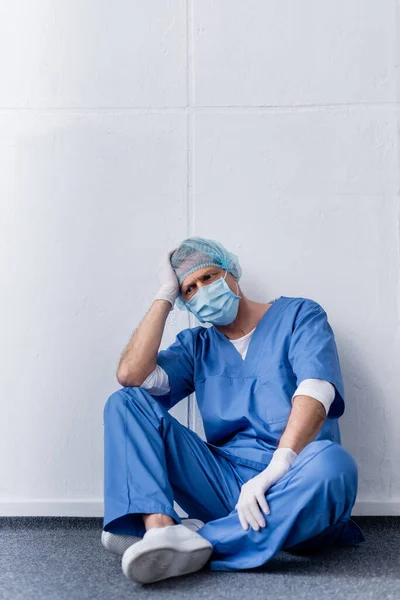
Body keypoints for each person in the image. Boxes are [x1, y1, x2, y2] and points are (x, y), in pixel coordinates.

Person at [102, 236, 365, 585]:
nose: (201, 290)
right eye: (190, 289)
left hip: (295, 482)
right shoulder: (198, 347)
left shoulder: (299, 315)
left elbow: (316, 393)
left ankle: (199, 541)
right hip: (226, 487)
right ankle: (161, 531)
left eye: (208, 277)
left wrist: (275, 470)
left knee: (334, 463)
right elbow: (130, 375)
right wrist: (165, 294)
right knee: (126, 402)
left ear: (232, 273)